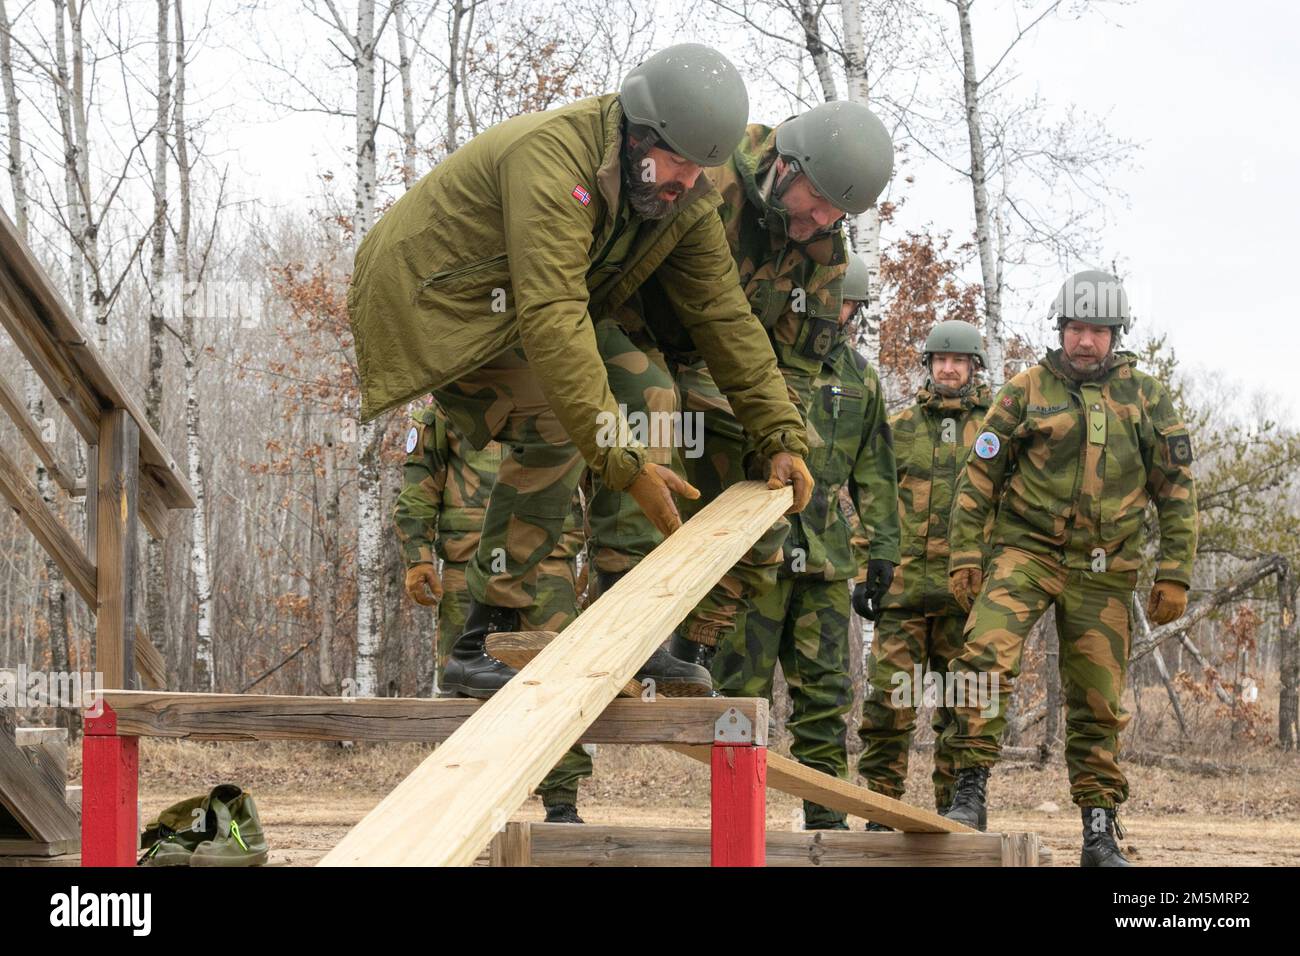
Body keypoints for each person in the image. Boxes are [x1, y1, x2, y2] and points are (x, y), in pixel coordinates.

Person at [348, 43, 815, 698]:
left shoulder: (684, 198)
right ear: (637, 132)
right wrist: (619, 462)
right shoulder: (553, 158)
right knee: (556, 418)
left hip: (521, 303)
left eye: (699, 168)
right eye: (674, 162)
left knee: (648, 385)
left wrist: (779, 435)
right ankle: (482, 636)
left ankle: (630, 620)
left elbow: (724, 317)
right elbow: (553, 317)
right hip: (436, 300)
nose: (686, 181)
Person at [940, 271, 1198, 867]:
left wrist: (1175, 572)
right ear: (1060, 330)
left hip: (1105, 569)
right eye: (1077, 328)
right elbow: (979, 475)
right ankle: (969, 790)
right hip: (1026, 554)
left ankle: (1099, 832)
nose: (1086, 341)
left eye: (1099, 331)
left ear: (1117, 334)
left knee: (1099, 700)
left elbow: (1177, 490)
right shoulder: (1025, 390)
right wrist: (964, 555)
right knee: (983, 655)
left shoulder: (1148, 398)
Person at [658, 99, 897, 663]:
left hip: (727, 376)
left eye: (833, 217)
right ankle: (613, 634)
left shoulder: (824, 257)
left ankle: (693, 649)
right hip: (637, 341)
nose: (817, 223)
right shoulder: (709, 171)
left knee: (773, 493)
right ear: (787, 166)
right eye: (813, 204)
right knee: (645, 468)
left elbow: (792, 369)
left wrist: (778, 442)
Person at [710, 254, 899, 830]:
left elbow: (876, 469)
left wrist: (882, 551)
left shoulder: (861, 378)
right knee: (737, 695)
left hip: (824, 560)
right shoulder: (755, 358)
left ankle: (826, 823)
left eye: (843, 303)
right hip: (754, 553)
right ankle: (736, 824)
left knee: (824, 696)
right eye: (826, 299)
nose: (830, 311)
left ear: (855, 311)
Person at [393, 402, 592, 822]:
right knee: (467, 684)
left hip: (548, 561)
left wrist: (597, 554)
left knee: (558, 681)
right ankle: (462, 802)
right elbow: (419, 483)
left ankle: (561, 802)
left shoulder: (563, 390)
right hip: (471, 564)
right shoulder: (452, 399)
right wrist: (418, 556)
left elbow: (595, 474)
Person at [856, 319, 992, 824]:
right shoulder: (900, 427)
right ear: (929, 365)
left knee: (962, 710)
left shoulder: (995, 430)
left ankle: (955, 814)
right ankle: (879, 809)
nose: (949, 368)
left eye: (958, 361)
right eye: (940, 360)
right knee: (887, 706)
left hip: (967, 598)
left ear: (974, 366)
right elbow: (874, 498)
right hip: (903, 594)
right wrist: (863, 569)